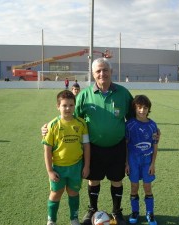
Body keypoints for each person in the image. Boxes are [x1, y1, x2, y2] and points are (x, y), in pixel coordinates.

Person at [42, 58, 134, 225]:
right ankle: (92, 209)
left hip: (117, 147)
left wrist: (153, 131)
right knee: (94, 179)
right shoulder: (84, 95)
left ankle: (117, 211)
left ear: (111, 72)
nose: (102, 73)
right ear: (93, 74)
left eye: (105, 70)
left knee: (117, 180)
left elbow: (134, 119)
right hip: (93, 148)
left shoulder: (123, 93)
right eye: (98, 71)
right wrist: (48, 125)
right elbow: (69, 117)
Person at [42, 90, 90, 225]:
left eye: (71, 105)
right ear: (58, 106)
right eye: (64, 105)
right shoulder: (52, 125)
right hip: (58, 168)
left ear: (75, 106)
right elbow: (47, 149)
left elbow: (86, 145)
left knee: (73, 193)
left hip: (76, 166)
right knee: (56, 193)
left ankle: (74, 219)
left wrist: (86, 165)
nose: (68, 108)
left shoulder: (81, 124)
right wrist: (50, 170)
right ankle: (51, 220)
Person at [125, 95, 158, 225]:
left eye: (145, 108)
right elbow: (126, 145)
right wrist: (126, 163)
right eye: (139, 107)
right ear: (135, 108)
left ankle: (150, 213)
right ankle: (135, 212)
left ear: (148, 109)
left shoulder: (153, 125)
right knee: (134, 187)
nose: (142, 110)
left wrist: (153, 164)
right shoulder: (129, 125)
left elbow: (155, 146)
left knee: (147, 187)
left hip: (147, 161)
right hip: (133, 161)